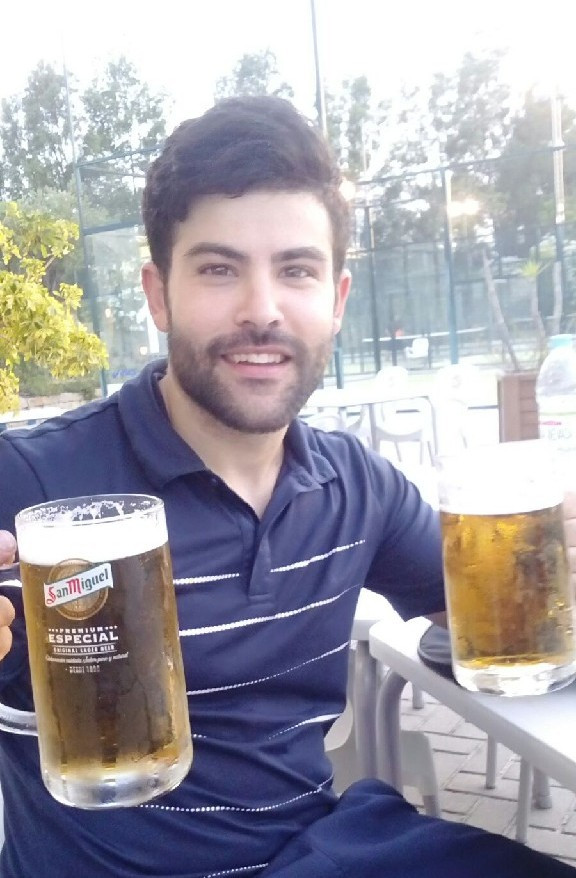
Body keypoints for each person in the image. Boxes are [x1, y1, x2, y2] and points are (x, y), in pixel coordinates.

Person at [0, 96, 573, 878]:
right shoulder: (35, 478)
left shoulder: (355, 486)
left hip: (318, 852)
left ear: (336, 302)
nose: (262, 311)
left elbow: (493, 619)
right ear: (158, 294)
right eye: (218, 269)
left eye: (296, 270)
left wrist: (554, 566)